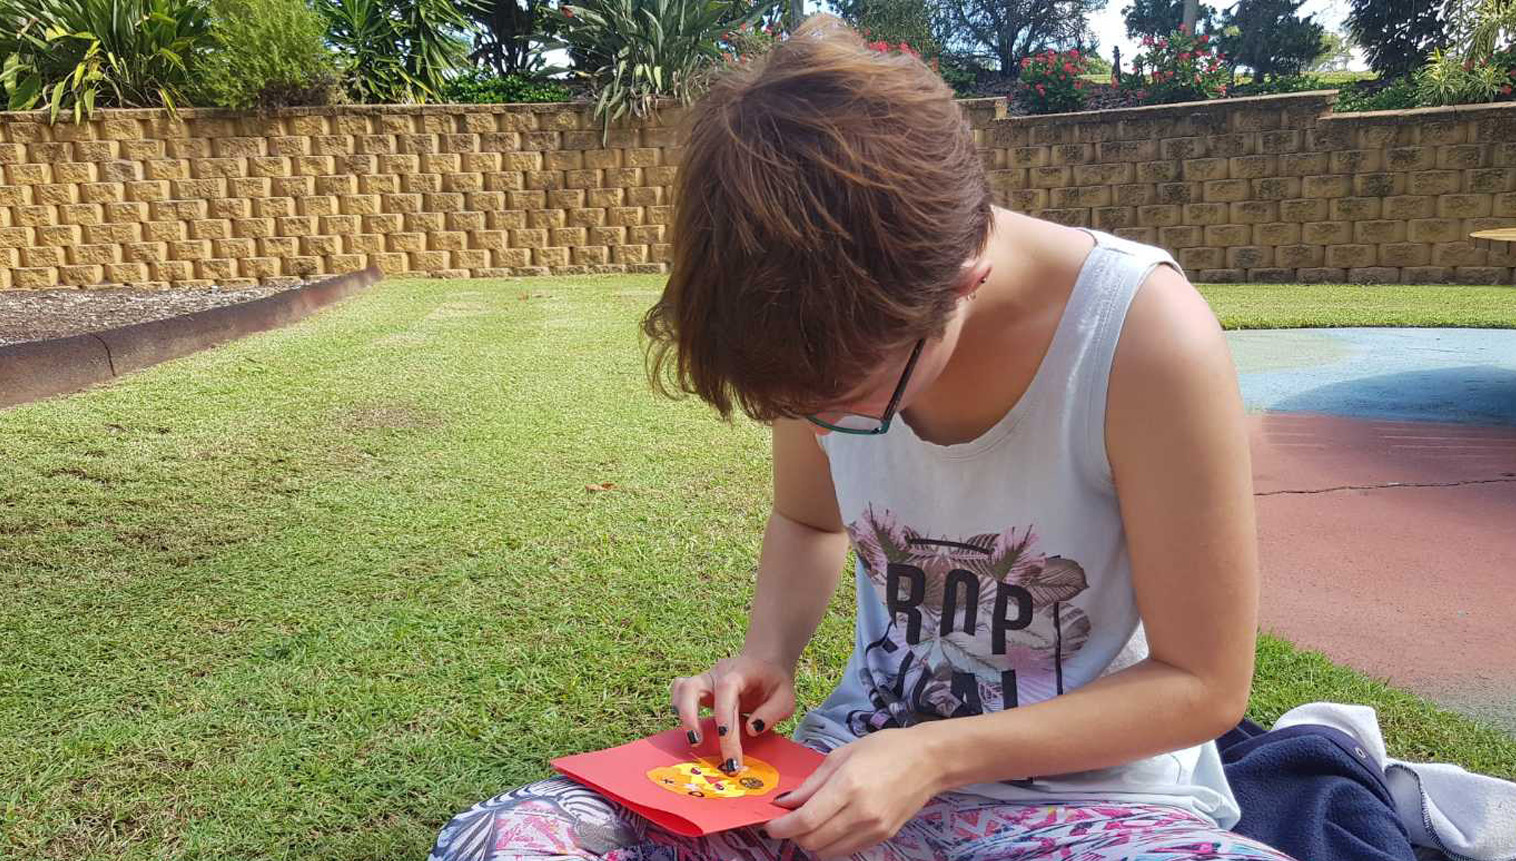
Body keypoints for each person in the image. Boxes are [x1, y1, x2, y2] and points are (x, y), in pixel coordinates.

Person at [431, 14, 1292, 861]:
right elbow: (809, 518)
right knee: (509, 837)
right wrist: (767, 652)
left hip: (1086, 809)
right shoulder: (813, 328)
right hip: (838, 786)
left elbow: (1203, 683)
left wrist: (936, 754)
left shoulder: (1142, 337)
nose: (821, 423)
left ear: (964, 284)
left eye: (848, 401)